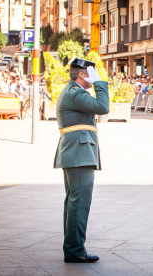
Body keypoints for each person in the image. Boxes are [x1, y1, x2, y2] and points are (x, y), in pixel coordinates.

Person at [53, 57, 109, 263]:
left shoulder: (74, 92)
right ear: (82, 74)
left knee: (75, 203)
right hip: (79, 153)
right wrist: (100, 83)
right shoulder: (75, 93)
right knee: (79, 203)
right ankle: (75, 250)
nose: (94, 75)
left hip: (78, 152)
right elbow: (103, 107)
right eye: (91, 72)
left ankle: (73, 248)